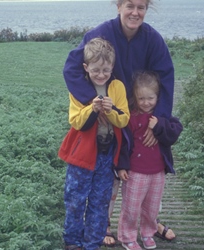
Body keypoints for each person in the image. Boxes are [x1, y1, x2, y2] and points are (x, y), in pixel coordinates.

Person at [63, 0, 176, 246]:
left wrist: (159, 123)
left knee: (144, 174)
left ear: (147, 9)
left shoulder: (153, 39)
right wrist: (94, 102)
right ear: (118, 6)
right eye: (129, 5)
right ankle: (103, 224)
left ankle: (148, 221)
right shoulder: (100, 34)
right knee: (111, 177)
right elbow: (72, 68)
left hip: (138, 119)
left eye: (141, 7)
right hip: (109, 119)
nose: (135, 12)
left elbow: (166, 78)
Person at [58, 37, 130, 250]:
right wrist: (92, 108)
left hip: (106, 156)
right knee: (75, 200)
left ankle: (93, 242)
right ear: (86, 67)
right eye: (96, 70)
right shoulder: (78, 88)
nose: (101, 75)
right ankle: (72, 241)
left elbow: (124, 118)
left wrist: (111, 109)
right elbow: (76, 121)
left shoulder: (117, 87)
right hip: (82, 155)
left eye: (106, 70)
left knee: (100, 201)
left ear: (112, 68)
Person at [117, 71, 183, 250]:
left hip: (157, 172)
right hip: (135, 172)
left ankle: (148, 233)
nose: (146, 103)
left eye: (150, 98)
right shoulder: (131, 117)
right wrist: (122, 166)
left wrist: (159, 126)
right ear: (135, 98)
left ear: (158, 97)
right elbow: (123, 142)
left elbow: (175, 132)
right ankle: (128, 237)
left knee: (152, 208)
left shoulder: (163, 117)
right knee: (131, 208)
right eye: (141, 98)